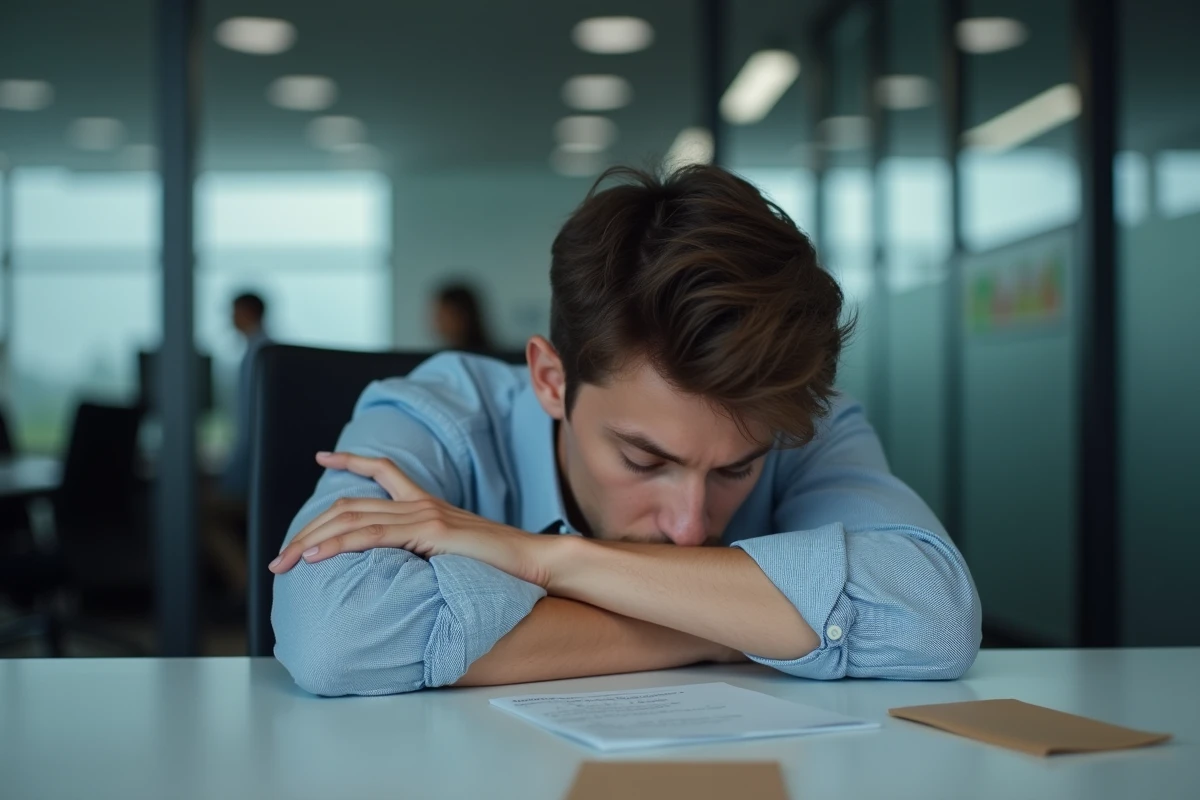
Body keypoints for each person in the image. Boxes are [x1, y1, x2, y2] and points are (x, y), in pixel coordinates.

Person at [269, 165, 981, 697]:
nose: (689, 526)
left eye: (737, 469)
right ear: (551, 379)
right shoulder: (434, 413)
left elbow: (934, 620)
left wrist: (548, 563)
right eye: (644, 459)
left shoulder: (794, 421)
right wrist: (742, 626)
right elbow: (337, 633)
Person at [220, 292, 271, 500]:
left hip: (253, 455)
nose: (231, 318)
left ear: (247, 313)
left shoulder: (261, 355)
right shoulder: (259, 351)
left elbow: (250, 417)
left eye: (234, 312)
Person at [430, 282, 494, 353]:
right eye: (440, 315)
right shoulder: (443, 356)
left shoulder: (489, 355)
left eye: (447, 316)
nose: (439, 322)